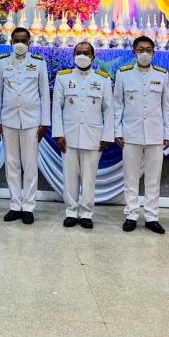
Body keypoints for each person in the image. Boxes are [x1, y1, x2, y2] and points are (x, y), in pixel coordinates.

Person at [114, 35, 169, 234]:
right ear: (134, 52)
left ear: (154, 52)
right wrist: (117, 130)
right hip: (130, 132)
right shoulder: (123, 74)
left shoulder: (162, 75)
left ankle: (151, 217)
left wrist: (168, 132)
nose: (145, 53)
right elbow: (118, 105)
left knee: (153, 178)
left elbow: (166, 106)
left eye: (148, 50)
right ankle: (131, 215)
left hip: (155, 133)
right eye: (141, 50)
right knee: (130, 177)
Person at [52, 41, 113, 229]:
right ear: (73, 55)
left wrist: (106, 136)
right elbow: (57, 108)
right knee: (70, 177)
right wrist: (58, 134)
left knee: (89, 177)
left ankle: (86, 212)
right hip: (68, 136)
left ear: (93, 57)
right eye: (78, 52)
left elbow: (109, 110)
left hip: (93, 135)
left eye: (86, 53)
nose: (82, 56)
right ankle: (71, 211)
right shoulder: (63, 77)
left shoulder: (103, 79)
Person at [0, 27, 50, 225]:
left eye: (23, 40)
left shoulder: (39, 62)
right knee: (12, 164)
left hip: (32, 120)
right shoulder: (2, 62)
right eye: (16, 40)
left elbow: (44, 93)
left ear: (29, 42)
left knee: (30, 164)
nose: (19, 43)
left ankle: (28, 207)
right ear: (11, 42)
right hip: (8, 119)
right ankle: (15, 205)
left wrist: (44, 122)